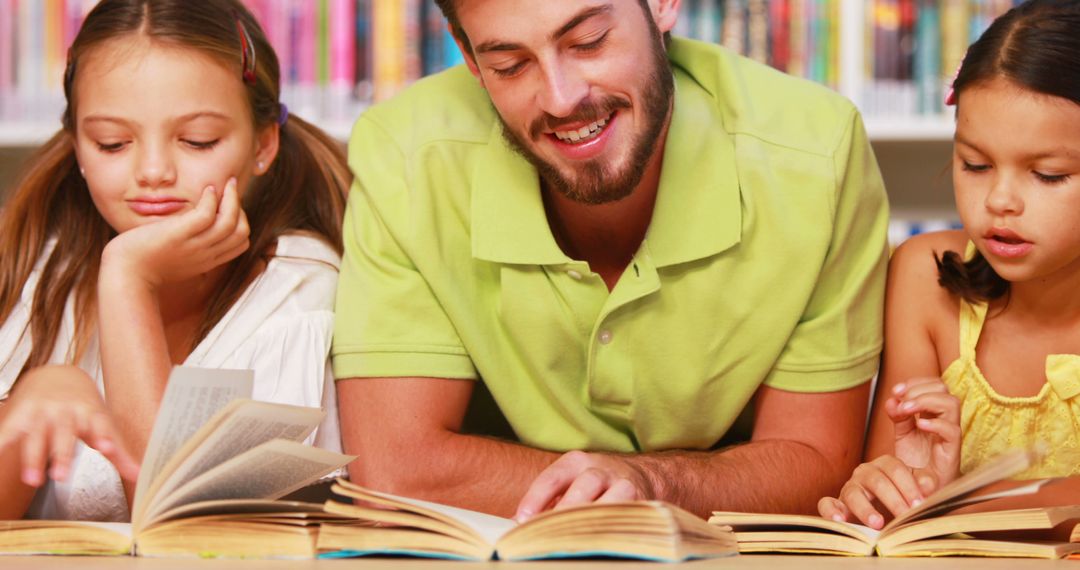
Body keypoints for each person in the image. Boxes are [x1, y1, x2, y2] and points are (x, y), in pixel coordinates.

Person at [334, 0, 889, 519]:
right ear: (470, 60)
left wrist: (649, 483)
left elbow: (815, 463)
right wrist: (633, 487)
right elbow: (396, 471)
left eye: (588, 41)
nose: (559, 97)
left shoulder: (818, 156)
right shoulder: (403, 156)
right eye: (509, 65)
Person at [0, 0, 350, 521]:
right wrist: (31, 400)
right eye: (112, 143)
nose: (154, 171)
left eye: (196, 140)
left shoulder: (302, 290)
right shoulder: (40, 271)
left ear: (263, 144)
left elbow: (174, 526)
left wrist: (128, 280)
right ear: (77, 145)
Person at [819, 0, 1080, 530]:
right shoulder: (924, 274)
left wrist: (957, 501)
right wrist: (889, 490)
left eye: (1048, 174)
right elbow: (897, 480)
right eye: (975, 165)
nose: (1000, 201)